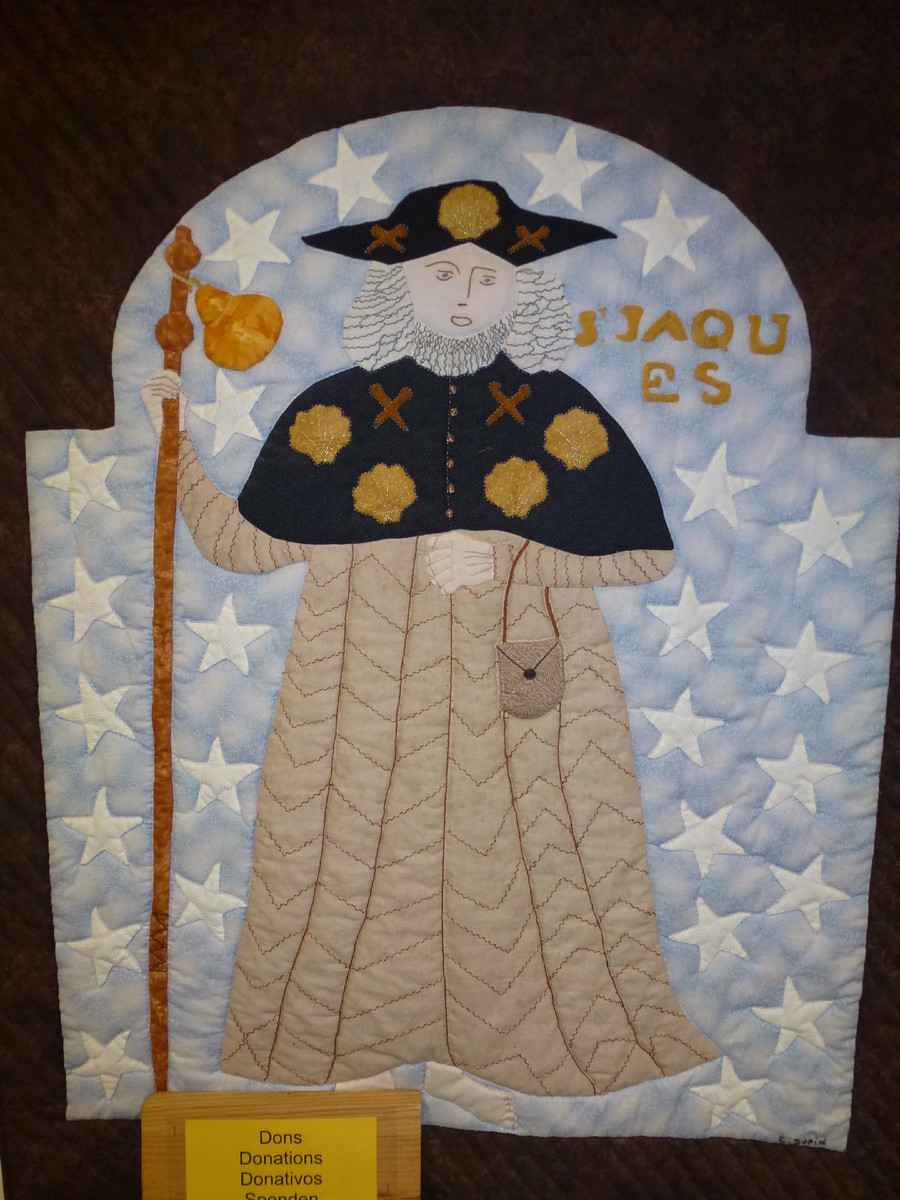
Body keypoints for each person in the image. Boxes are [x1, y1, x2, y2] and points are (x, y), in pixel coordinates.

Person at [144, 180, 717, 1098]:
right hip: (363, 682)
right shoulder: (334, 411)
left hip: (521, 675)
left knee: (532, 852)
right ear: (398, 284)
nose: (463, 296)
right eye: (442, 273)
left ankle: (531, 1042)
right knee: (350, 850)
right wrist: (174, 448)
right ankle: (344, 1042)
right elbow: (247, 549)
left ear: (520, 292)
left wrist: (513, 557)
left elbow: (646, 556)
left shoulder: (563, 412)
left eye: (487, 278)